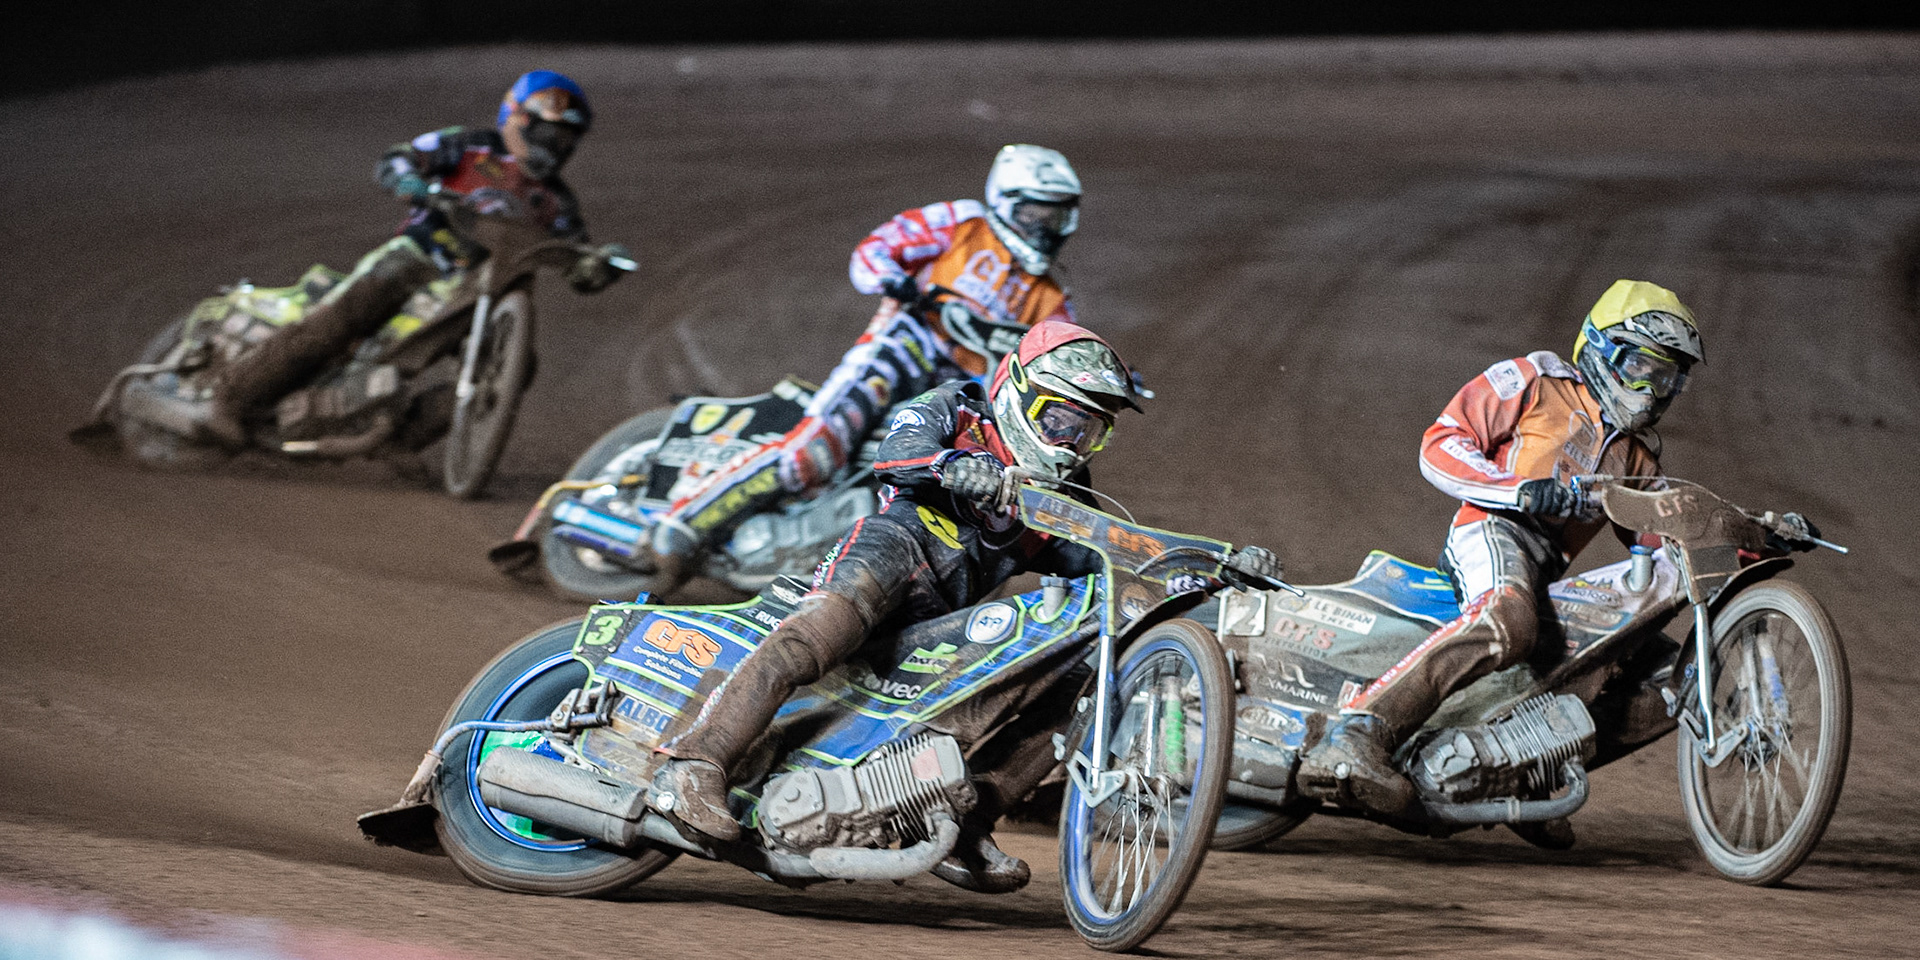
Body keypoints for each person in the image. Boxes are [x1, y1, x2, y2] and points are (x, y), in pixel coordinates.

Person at [648, 321, 1256, 893]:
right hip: (896, 548)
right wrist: (953, 465)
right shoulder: (960, 407)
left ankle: (969, 819)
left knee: (1078, 680)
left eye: (1088, 430)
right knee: (817, 636)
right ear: (1017, 390)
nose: (1070, 444)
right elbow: (897, 450)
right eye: (1060, 420)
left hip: (947, 613)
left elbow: (1104, 556)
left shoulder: (1067, 490)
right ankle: (697, 765)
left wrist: (1217, 565)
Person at [1295, 279, 1705, 845]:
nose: (1652, 391)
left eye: (1668, 380)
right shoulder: (1533, 380)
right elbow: (1440, 442)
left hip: (1547, 570)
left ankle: (1530, 777)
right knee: (1511, 618)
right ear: (1603, 350)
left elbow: (1661, 534)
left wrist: (1749, 536)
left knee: (1670, 675)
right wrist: (1518, 490)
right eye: (1643, 369)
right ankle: (1359, 731)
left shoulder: (1636, 453)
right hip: (1492, 529)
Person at [636, 144, 1086, 589]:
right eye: (1038, 214)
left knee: (958, 485)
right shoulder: (963, 222)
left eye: (1059, 216)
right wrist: (895, 280)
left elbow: (1061, 351)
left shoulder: (1050, 296)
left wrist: (1093, 376)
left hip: (957, 392)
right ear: (1006, 201)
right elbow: (877, 247)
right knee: (815, 452)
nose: (1048, 228)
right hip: (903, 348)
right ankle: (682, 524)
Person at [196, 69, 625, 446]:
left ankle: (401, 442)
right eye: (552, 134)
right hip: (421, 256)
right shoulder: (473, 145)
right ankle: (232, 397)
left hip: (481, 291)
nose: (559, 147)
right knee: (360, 304)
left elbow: (575, 259)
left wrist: (597, 266)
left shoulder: (558, 201)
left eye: (568, 140)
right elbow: (401, 157)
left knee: (516, 366)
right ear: (517, 118)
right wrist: (410, 181)